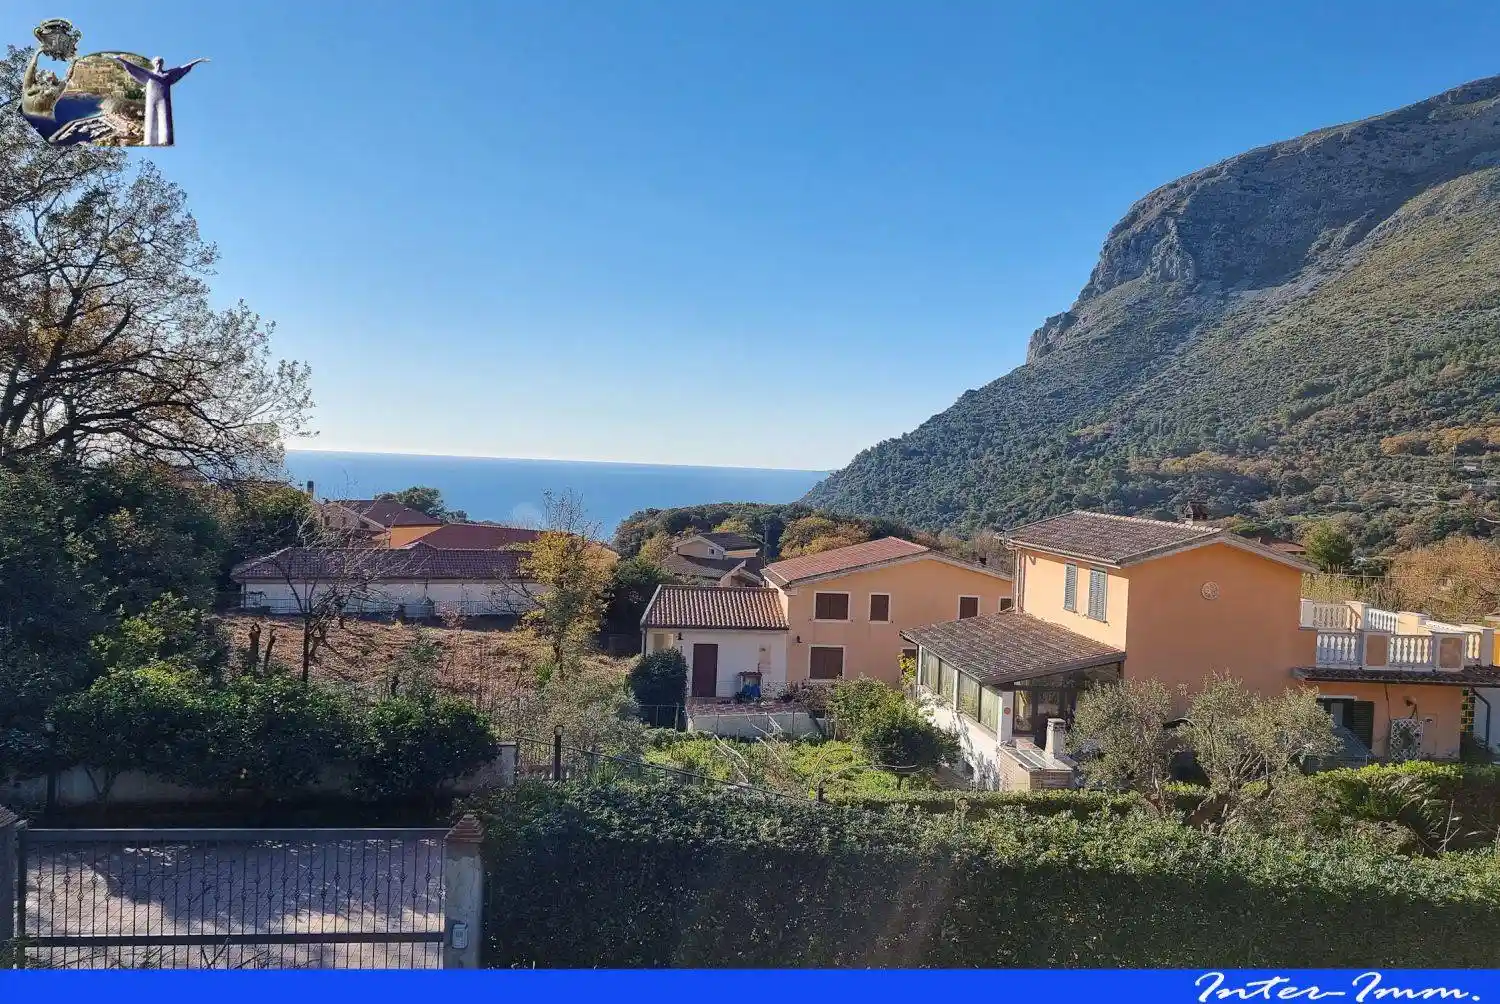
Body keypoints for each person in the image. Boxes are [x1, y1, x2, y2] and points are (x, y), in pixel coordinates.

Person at [113, 55, 208, 146]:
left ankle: (165, 141)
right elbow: (134, 67)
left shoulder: (168, 74)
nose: (158, 63)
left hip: (164, 100)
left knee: (165, 121)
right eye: (157, 61)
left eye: (160, 62)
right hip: (151, 101)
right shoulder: (148, 74)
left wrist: (197, 61)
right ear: (153, 63)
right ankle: (150, 142)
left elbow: (182, 68)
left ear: (162, 64)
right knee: (150, 121)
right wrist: (121, 60)